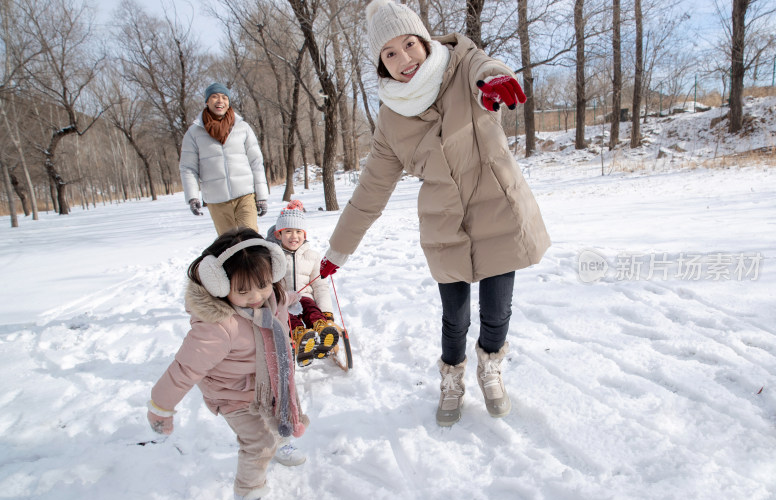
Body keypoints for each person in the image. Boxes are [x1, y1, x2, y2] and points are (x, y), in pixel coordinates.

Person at [319, 0, 551, 427]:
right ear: (381, 65)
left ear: (424, 41)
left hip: (498, 208)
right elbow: (371, 190)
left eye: (409, 44)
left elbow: (487, 66)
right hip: (445, 225)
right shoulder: (391, 121)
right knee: (455, 317)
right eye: (390, 54)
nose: (404, 59)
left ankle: (491, 367)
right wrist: (338, 250)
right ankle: (453, 378)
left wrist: (496, 80)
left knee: (497, 311)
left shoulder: (464, 66)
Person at [146, 228, 309, 500]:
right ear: (219, 286)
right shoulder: (218, 326)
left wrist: (293, 299)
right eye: (243, 291)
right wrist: (160, 406)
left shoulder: (272, 297)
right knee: (258, 442)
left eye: (262, 285)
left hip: (270, 380)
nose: (256, 297)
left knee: (283, 410)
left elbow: (280, 299)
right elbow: (185, 369)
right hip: (234, 394)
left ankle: (282, 439)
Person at [180, 82, 269, 235]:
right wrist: (192, 197)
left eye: (224, 97)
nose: (220, 101)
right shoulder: (194, 133)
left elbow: (256, 162)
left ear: (228, 102)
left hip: (245, 195)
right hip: (216, 200)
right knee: (229, 246)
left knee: (251, 240)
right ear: (207, 101)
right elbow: (188, 168)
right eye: (214, 97)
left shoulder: (243, 128)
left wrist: (261, 196)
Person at [267, 200, 340, 367]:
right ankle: (301, 337)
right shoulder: (273, 258)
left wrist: (327, 313)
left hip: (305, 297)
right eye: (288, 232)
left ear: (305, 234)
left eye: (299, 231)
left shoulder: (312, 256)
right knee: (288, 317)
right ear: (278, 234)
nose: (294, 236)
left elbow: (320, 286)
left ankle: (322, 331)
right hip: (284, 300)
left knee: (311, 309)